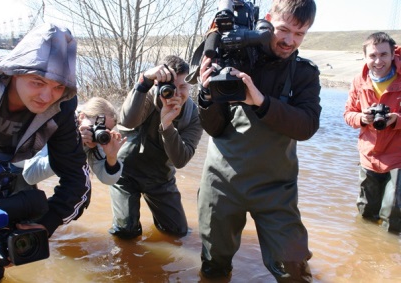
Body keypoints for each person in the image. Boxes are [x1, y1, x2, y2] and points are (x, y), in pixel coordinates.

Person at [192, 0, 320, 281]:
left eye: (300, 34)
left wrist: (260, 101)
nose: (289, 41)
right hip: (221, 184)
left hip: (276, 190)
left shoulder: (304, 73)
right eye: (284, 30)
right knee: (214, 269)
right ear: (269, 19)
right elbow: (214, 128)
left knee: (294, 272)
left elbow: (307, 126)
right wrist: (205, 95)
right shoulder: (233, 60)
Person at [0, 23, 91, 281]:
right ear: (14, 72)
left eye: (57, 87)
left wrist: (47, 224)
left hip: (1, 171)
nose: (46, 96)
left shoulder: (62, 105)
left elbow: (77, 180)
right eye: (37, 82)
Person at [108, 55, 203, 239]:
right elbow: (127, 120)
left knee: (178, 233)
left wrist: (167, 125)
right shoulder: (145, 95)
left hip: (160, 178)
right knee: (126, 232)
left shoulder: (193, 115)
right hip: (125, 173)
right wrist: (143, 82)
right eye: (171, 87)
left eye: (183, 87)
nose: (177, 93)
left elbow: (180, 160)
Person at [344, 32, 401, 233]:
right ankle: (366, 253)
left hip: (398, 157)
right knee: (366, 212)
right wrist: (361, 118)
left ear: (393, 54)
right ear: (365, 57)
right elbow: (348, 114)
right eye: (373, 56)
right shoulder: (359, 81)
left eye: (384, 55)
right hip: (369, 156)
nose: (378, 61)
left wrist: (396, 120)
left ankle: (390, 257)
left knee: (393, 214)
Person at [22, 97, 126, 186]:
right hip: (13, 164)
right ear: (81, 117)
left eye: (105, 130)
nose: (99, 132)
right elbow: (30, 175)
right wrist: (71, 145)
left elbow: (107, 180)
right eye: (96, 126)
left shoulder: (97, 138)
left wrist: (111, 158)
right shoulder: (57, 123)